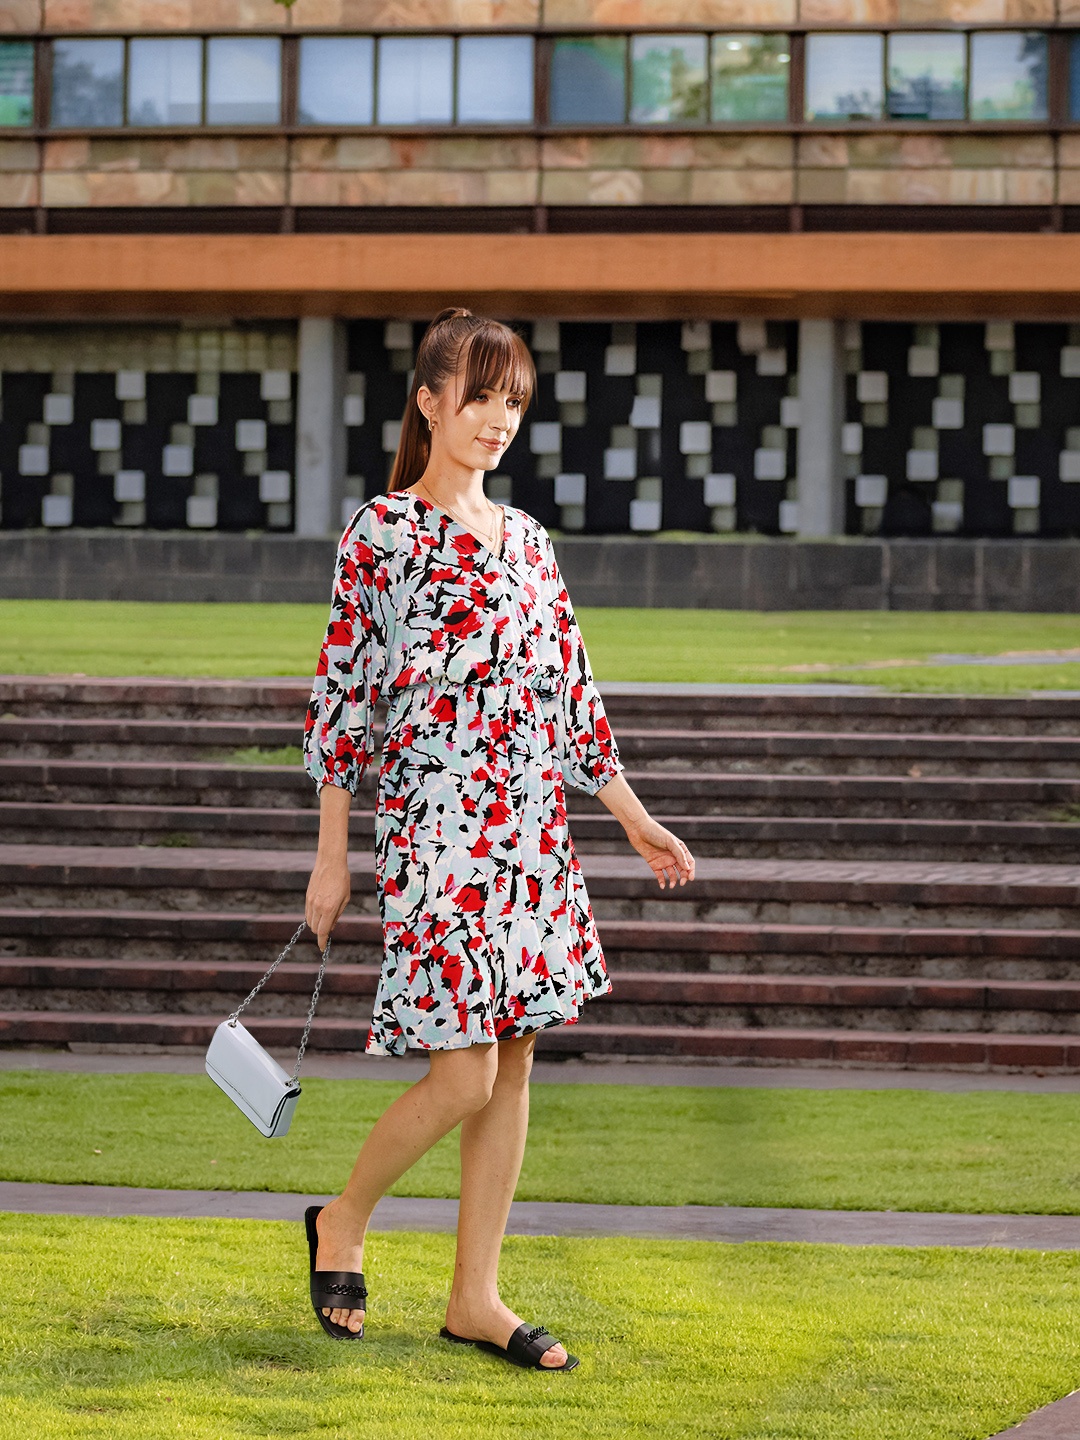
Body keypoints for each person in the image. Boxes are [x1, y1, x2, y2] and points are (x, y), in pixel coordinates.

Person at [302, 307, 695, 1372]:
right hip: (438, 830)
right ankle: (342, 1219)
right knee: (465, 1073)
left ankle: (475, 1296)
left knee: (514, 1063)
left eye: (512, 400)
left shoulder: (526, 540)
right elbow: (344, 701)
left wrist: (634, 817)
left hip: (530, 831)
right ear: (428, 403)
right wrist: (333, 853)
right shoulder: (380, 534)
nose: (496, 420)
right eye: (477, 397)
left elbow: (571, 692)